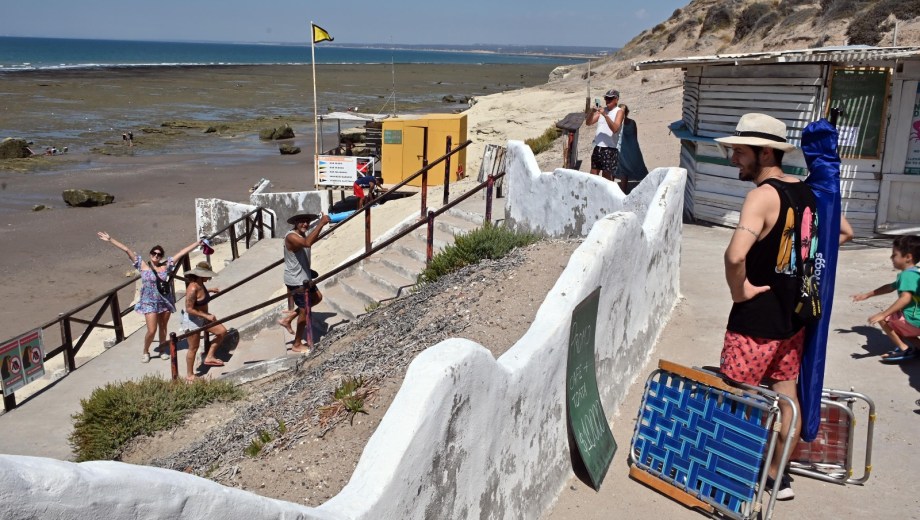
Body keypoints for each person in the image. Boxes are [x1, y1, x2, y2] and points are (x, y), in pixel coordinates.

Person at [714, 113, 817, 501]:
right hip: (793, 320)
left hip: (755, 322)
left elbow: (735, 255)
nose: (734, 159)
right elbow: (843, 232)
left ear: (766, 152)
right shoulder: (808, 193)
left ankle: (732, 475)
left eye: (741, 152)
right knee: (786, 396)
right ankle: (778, 476)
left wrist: (738, 291)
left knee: (739, 398)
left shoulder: (761, 196)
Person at [97, 232, 202, 363]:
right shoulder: (142, 265)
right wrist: (110, 239)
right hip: (149, 302)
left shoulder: (166, 266)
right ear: (150, 254)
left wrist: (197, 243)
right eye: (154, 253)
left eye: (159, 254)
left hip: (164, 301)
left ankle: (163, 349)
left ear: (161, 256)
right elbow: (127, 250)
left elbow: (181, 253)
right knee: (152, 330)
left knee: (163, 328)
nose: (156, 256)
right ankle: (146, 351)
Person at [852, 235, 920, 362]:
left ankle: (905, 349)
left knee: (886, 320)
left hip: (914, 320)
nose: (891, 258)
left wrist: (883, 314)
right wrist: (867, 295)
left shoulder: (906, 276)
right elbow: (890, 287)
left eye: (894, 255)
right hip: (917, 319)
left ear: (908, 257)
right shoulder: (915, 273)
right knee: (899, 327)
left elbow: (905, 298)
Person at [276, 213, 329, 352]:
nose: (305, 224)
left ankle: (289, 318)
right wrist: (322, 223)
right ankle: (297, 344)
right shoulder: (292, 237)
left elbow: (308, 242)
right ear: (295, 223)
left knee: (317, 298)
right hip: (296, 280)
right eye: (302, 222)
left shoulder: (301, 235)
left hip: (304, 276)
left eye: (307, 222)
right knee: (305, 312)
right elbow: (307, 244)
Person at [183, 262, 227, 380]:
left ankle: (209, 356)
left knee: (222, 332)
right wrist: (206, 316)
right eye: (208, 275)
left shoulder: (201, 283)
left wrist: (210, 290)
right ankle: (190, 375)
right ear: (201, 275)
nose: (210, 277)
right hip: (193, 320)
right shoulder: (192, 288)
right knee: (193, 347)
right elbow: (189, 309)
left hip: (203, 317)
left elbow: (201, 293)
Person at [585, 88, 625, 182]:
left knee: (607, 177)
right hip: (598, 147)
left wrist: (605, 115)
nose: (607, 101)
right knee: (593, 175)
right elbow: (588, 123)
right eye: (606, 98)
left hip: (610, 148)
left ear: (616, 99)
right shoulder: (601, 111)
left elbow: (615, 129)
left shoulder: (619, 111)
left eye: (610, 99)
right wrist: (592, 112)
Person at [614, 104, 648, 193]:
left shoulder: (617, 124)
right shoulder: (632, 122)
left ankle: (619, 191)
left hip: (621, 150)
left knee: (619, 171)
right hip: (632, 149)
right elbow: (635, 137)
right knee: (629, 170)